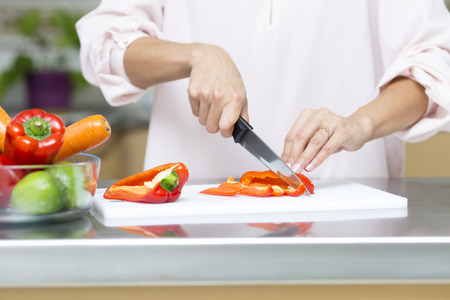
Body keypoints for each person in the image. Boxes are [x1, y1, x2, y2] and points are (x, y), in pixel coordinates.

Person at [76, 0, 450, 181]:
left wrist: (361, 125)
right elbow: (103, 48)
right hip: (188, 219)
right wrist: (194, 55)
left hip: (346, 209)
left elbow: (434, 66)